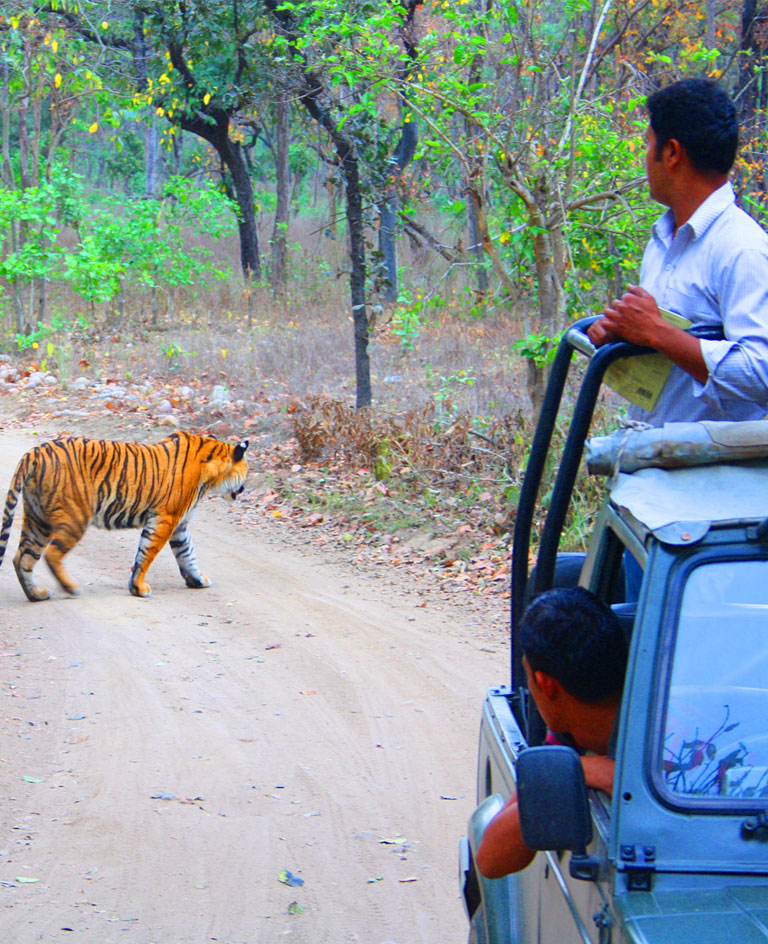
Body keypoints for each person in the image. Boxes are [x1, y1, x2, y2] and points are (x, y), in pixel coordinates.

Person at [587, 78, 768, 425]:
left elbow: (761, 372)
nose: (644, 159)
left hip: (708, 474)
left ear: (671, 152)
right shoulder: (662, 240)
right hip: (651, 459)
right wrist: (625, 336)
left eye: (647, 144)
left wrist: (658, 332)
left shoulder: (742, 249)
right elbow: (668, 353)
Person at [475, 587, 627, 879]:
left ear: (544, 683)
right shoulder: (569, 740)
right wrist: (580, 771)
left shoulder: (661, 742)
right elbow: (490, 859)